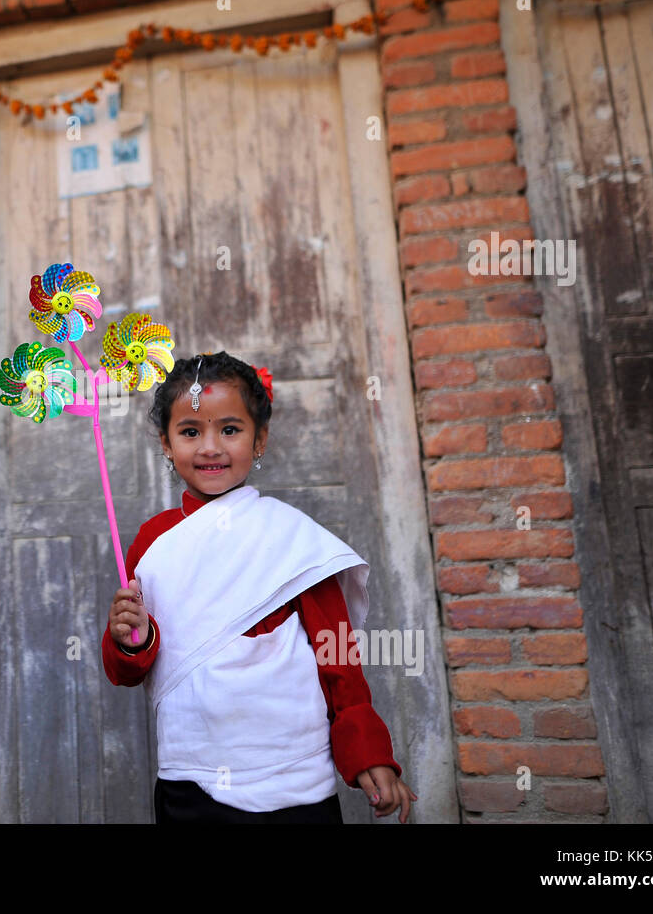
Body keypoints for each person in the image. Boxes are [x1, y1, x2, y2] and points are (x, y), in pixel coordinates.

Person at [101, 352, 418, 824]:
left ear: (260, 438)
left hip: (295, 778)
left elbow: (338, 658)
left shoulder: (293, 540)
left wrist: (367, 751)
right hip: (192, 778)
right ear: (167, 444)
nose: (210, 447)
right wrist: (134, 638)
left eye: (230, 430)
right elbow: (130, 671)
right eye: (190, 432)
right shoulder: (153, 544)